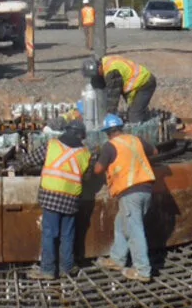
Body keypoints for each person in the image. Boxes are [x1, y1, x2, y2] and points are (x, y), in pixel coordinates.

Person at [92, 114, 156, 282]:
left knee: (134, 230)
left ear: (107, 132)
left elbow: (98, 169)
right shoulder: (136, 140)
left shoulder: (110, 146)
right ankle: (117, 258)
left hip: (130, 193)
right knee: (121, 224)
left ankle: (142, 270)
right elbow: (155, 151)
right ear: (121, 127)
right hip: (146, 189)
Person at [29, 120, 91, 281]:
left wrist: (17, 166)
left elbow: (31, 160)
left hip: (51, 196)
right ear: (81, 135)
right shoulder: (85, 153)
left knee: (50, 233)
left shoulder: (52, 145)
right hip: (71, 198)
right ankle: (67, 267)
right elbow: (88, 175)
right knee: (67, 234)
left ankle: (48, 269)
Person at [88, 54, 157, 123]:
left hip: (144, 82)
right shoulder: (106, 62)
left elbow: (113, 96)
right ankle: (146, 121)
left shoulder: (112, 72)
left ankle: (140, 131)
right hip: (138, 83)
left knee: (134, 115)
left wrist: (110, 116)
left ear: (99, 68)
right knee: (136, 109)